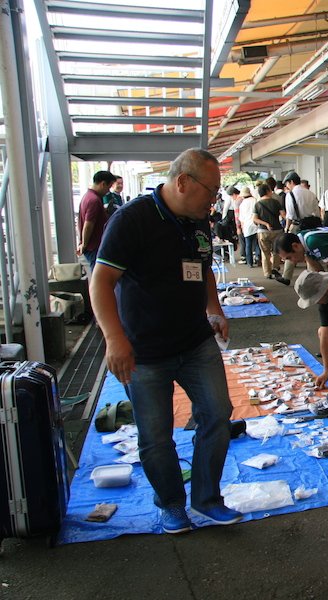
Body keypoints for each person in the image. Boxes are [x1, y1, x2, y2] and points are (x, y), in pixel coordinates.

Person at [90, 148, 242, 534]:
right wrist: (114, 339)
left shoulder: (198, 220)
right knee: (156, 436)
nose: (214, 199)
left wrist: (215, 309)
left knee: (217, 415)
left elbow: (203, 268)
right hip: (145, 351)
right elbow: (101, 281)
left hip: (195, 341)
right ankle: (172, 504)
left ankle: (207, 499)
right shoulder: (132, 220)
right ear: (182, 182)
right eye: (211, 190)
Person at [283, 172, 322, 284]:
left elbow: (290, 215)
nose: (287, 186)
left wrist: (287, 228)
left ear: (291, 182)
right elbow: (317, 211)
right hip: (311, 225)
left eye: (287, 184)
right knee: (309, 250)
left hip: (297, 225)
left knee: (290, 249)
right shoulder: (310, 193)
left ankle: (287, 276)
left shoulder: (290, 195)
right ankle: (311, 275)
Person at [77, 170, 117, 272]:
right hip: (94, 246)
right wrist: (84, 244)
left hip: (92, 245)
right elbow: (88, 224)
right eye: (109, 187)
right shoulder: (94, 200)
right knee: (97, 275)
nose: (108, 191)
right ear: (103, 183)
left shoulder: (87, 197)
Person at [252, 183, 287, 282]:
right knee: (276, 251)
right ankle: (275, 269)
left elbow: (255, 219)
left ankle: (267, 273)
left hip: (263, 231)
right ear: (268, 191)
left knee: (265, 253)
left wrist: (265, 223)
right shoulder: (275, 202)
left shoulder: (257, 204)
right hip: (277, 231)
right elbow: (283, 214)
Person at [238, 186, 260, 268]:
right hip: (256, 224)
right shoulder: (255, 200)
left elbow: (241, 218)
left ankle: (250, 263)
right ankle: (257, 256)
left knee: (248, 245)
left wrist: (242, 228)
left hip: (247, 226)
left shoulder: (242, 204)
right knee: (257, 243)